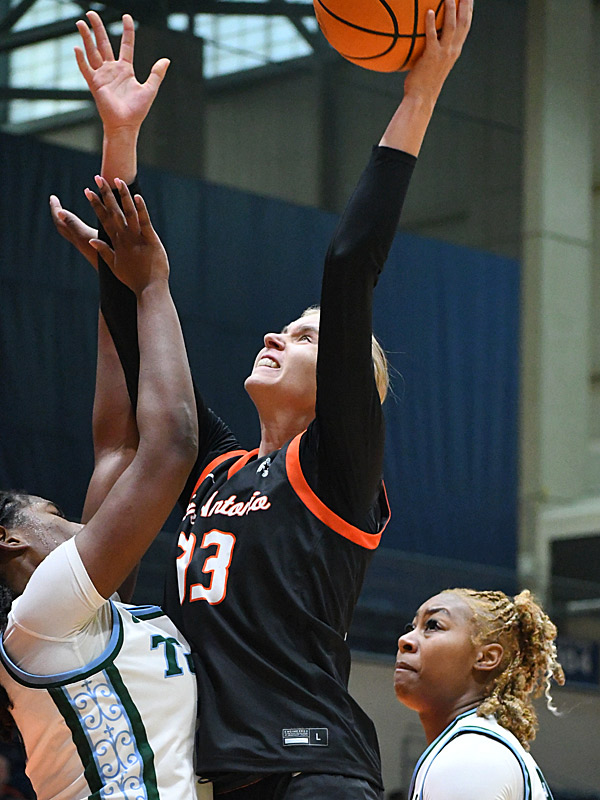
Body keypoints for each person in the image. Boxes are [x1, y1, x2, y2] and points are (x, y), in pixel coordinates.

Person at [51, 2, 473, 796]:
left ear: (347, 387)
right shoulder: (218, 468)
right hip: (228, 776)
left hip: (313, 770)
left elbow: (349, 267)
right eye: (284, 328)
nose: (279, 336)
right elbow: (140, 333)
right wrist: (120, 142)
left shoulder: (337, 464)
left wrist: (420, 93)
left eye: (307, 338)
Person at [1, 179, 199, 798]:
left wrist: (115, 284)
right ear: (8, 540)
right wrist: (152, 288)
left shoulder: (83, 611)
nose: (78, 521)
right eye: (52, 512)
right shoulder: (42, 615)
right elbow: (171, 447)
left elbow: (121, 446)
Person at [394, 588, 565, 800]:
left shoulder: (470, 757)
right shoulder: (476, 749)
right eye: (412, 627)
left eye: (432, 625)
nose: (405, 640)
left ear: (486, 657)